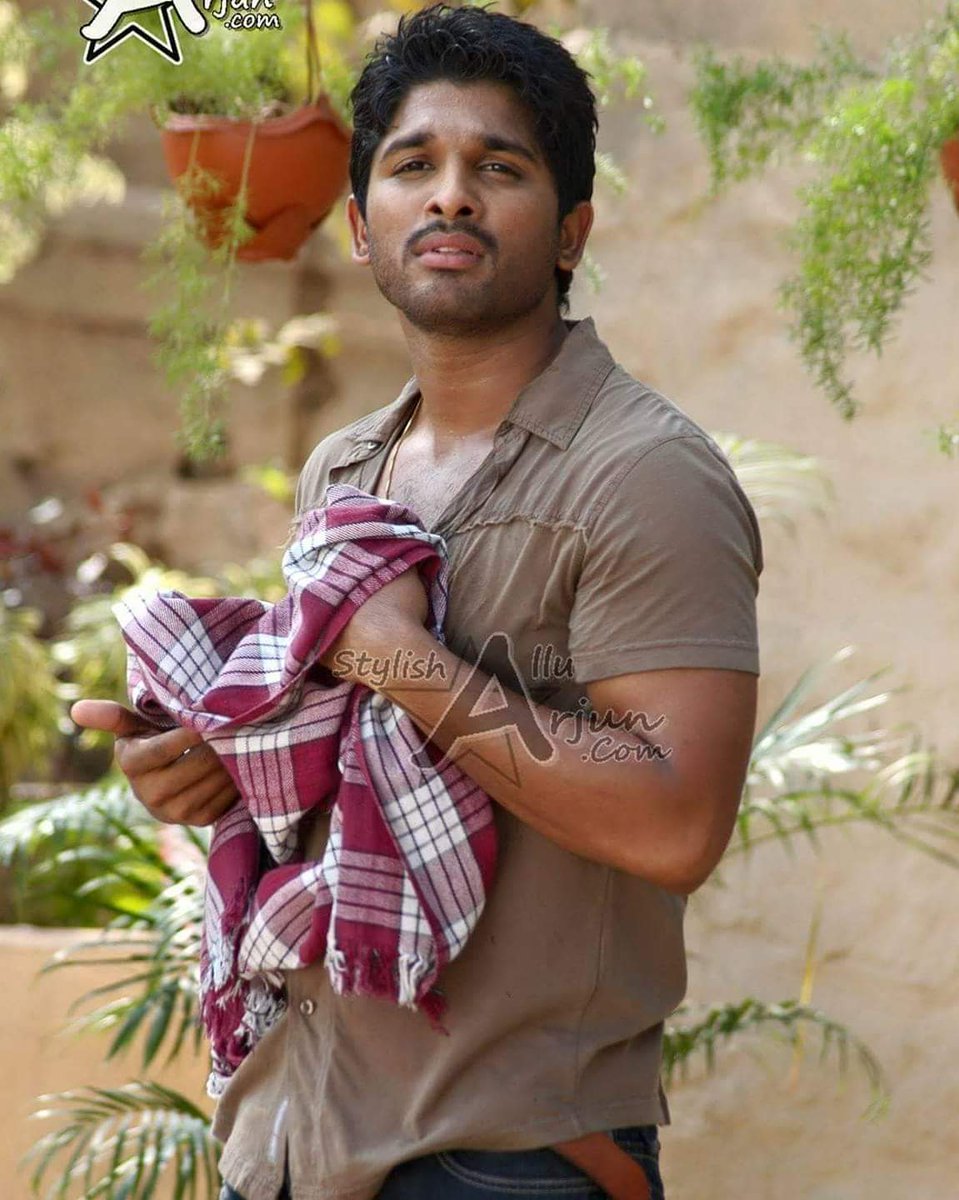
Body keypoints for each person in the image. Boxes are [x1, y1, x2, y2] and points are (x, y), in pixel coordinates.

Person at [72, 5, 763, 1198]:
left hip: (503, 1160)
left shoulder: (644, 474)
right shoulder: (343, 469)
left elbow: (672, 824)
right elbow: (341, 762)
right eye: (412, 165)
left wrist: (403, 661)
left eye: (498, 167)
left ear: (570, 231)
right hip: (291, 1137)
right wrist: (209, 767)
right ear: (358, 226)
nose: (450, 195)